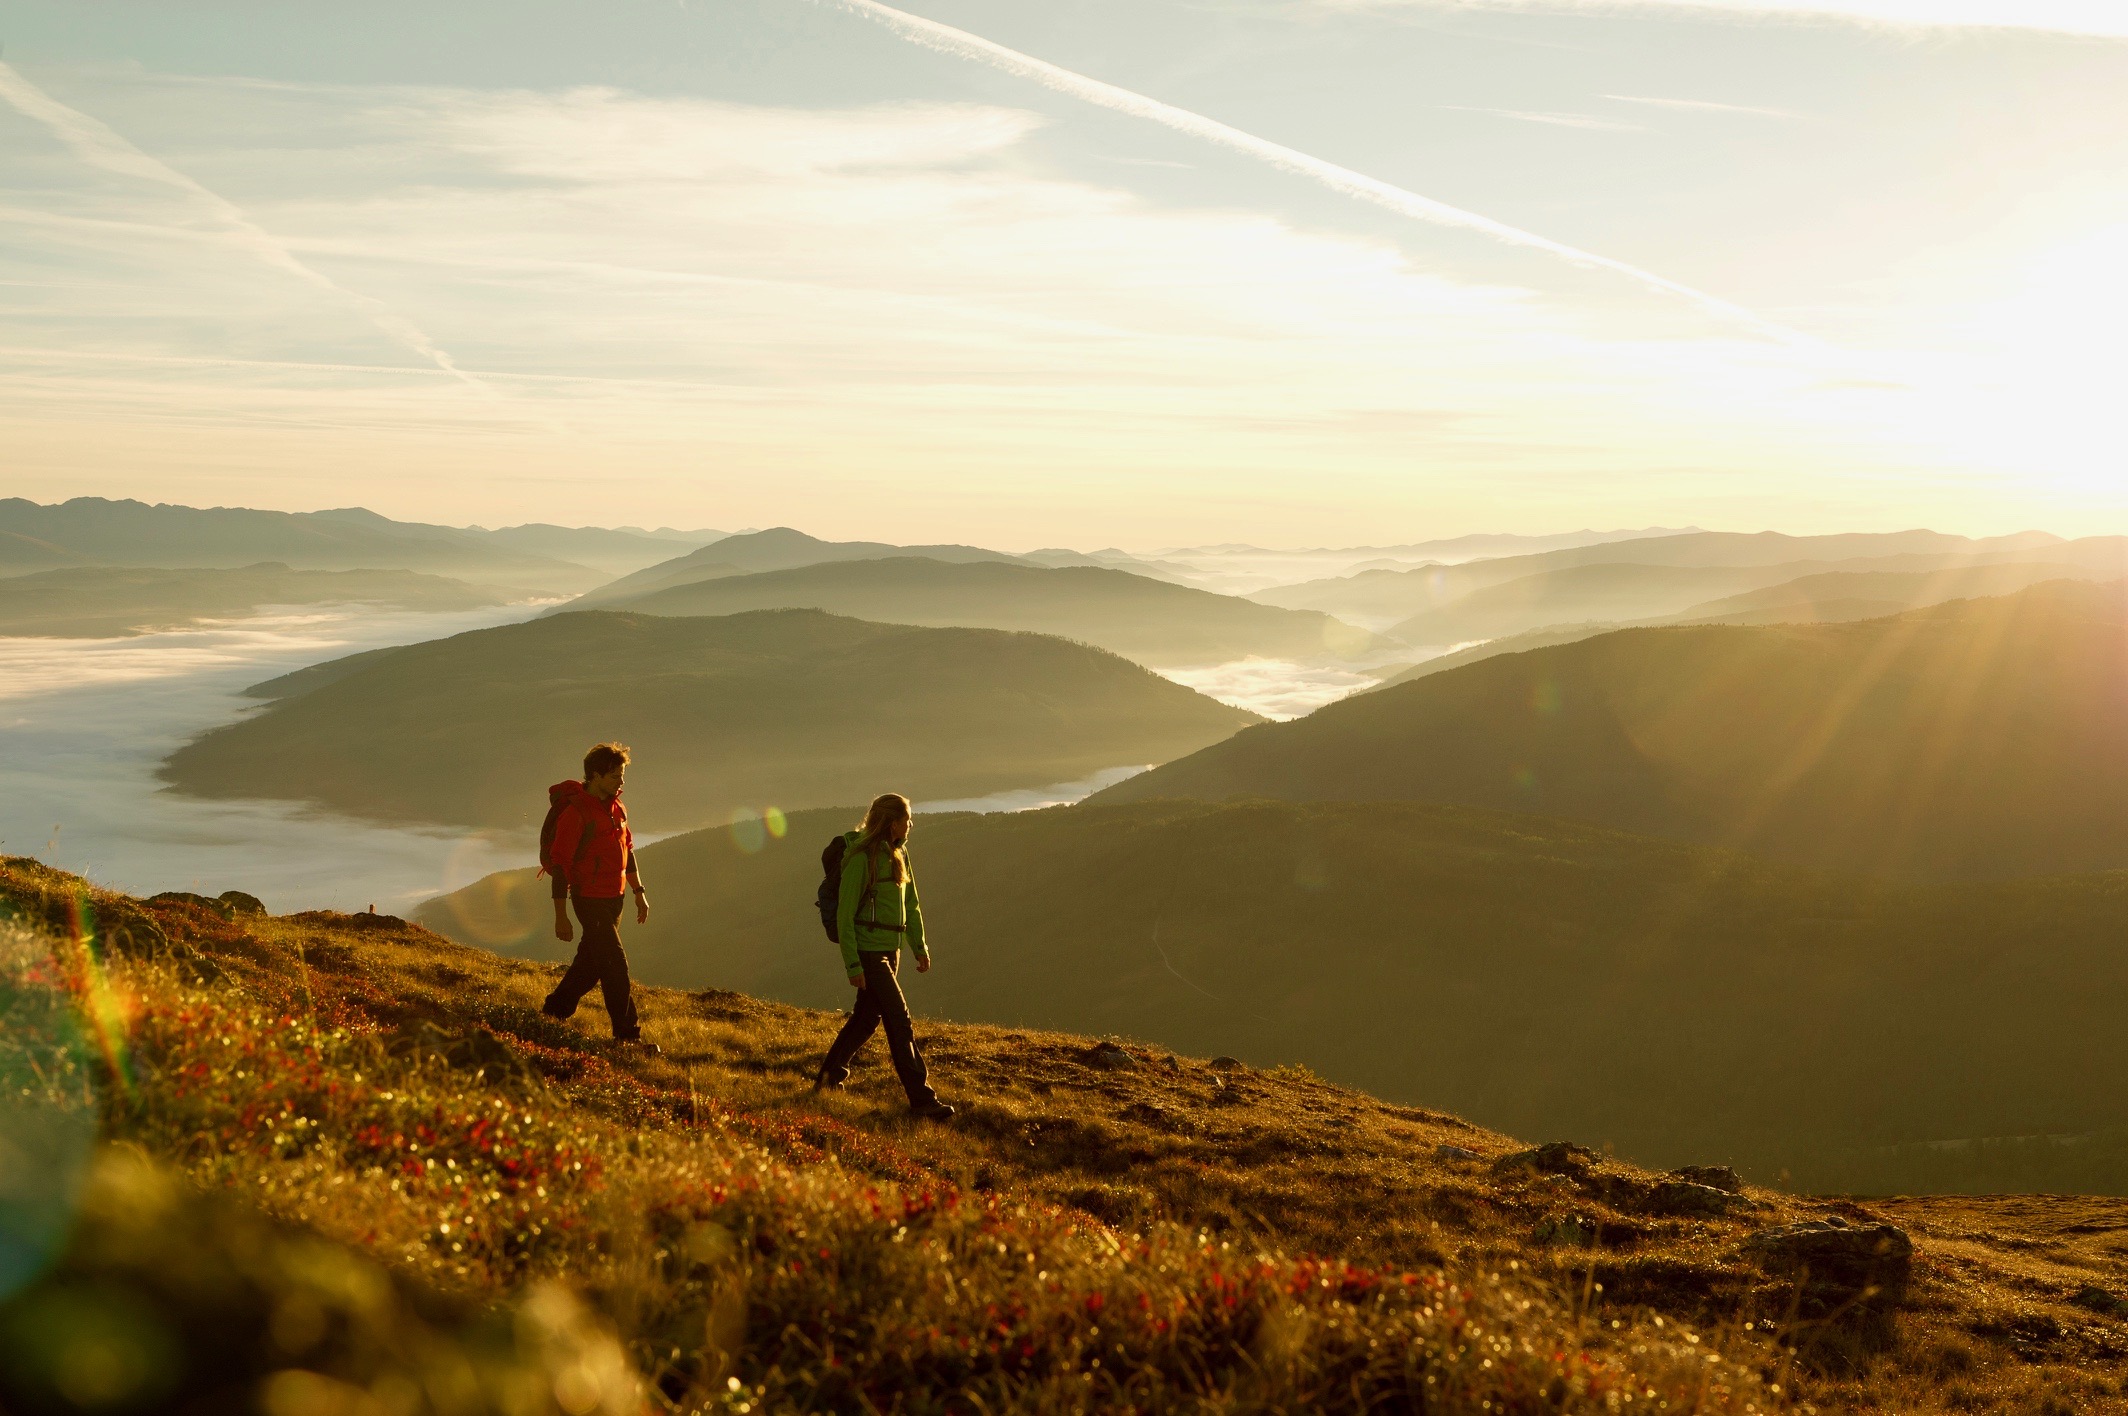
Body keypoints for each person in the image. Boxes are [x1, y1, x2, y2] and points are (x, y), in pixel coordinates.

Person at [816, 793, 954, 1120]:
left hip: (890, 950)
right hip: (868, 951)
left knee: (866, 1019)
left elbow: (911, 904)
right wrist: (852, 963)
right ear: (893, 822)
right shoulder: (861, 858)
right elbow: (846, 915)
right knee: (899, 1020)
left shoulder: (899, 852)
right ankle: (922, 1099)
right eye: (907, 818)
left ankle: (828, 1078)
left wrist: (918, 947)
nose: (910, 824)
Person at [540, 742, 658, 1053]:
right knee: (615, 965)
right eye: (615, 775)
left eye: (622, 775)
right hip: (588, 899)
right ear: (595, 776)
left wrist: (638, 892)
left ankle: (552, 1012)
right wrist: (561, 915)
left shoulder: (618, 809)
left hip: (614, 898)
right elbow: (560, 864)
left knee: (590, 966)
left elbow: (626, 852)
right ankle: (628, 1038)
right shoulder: (577, 813)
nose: (622, 781)